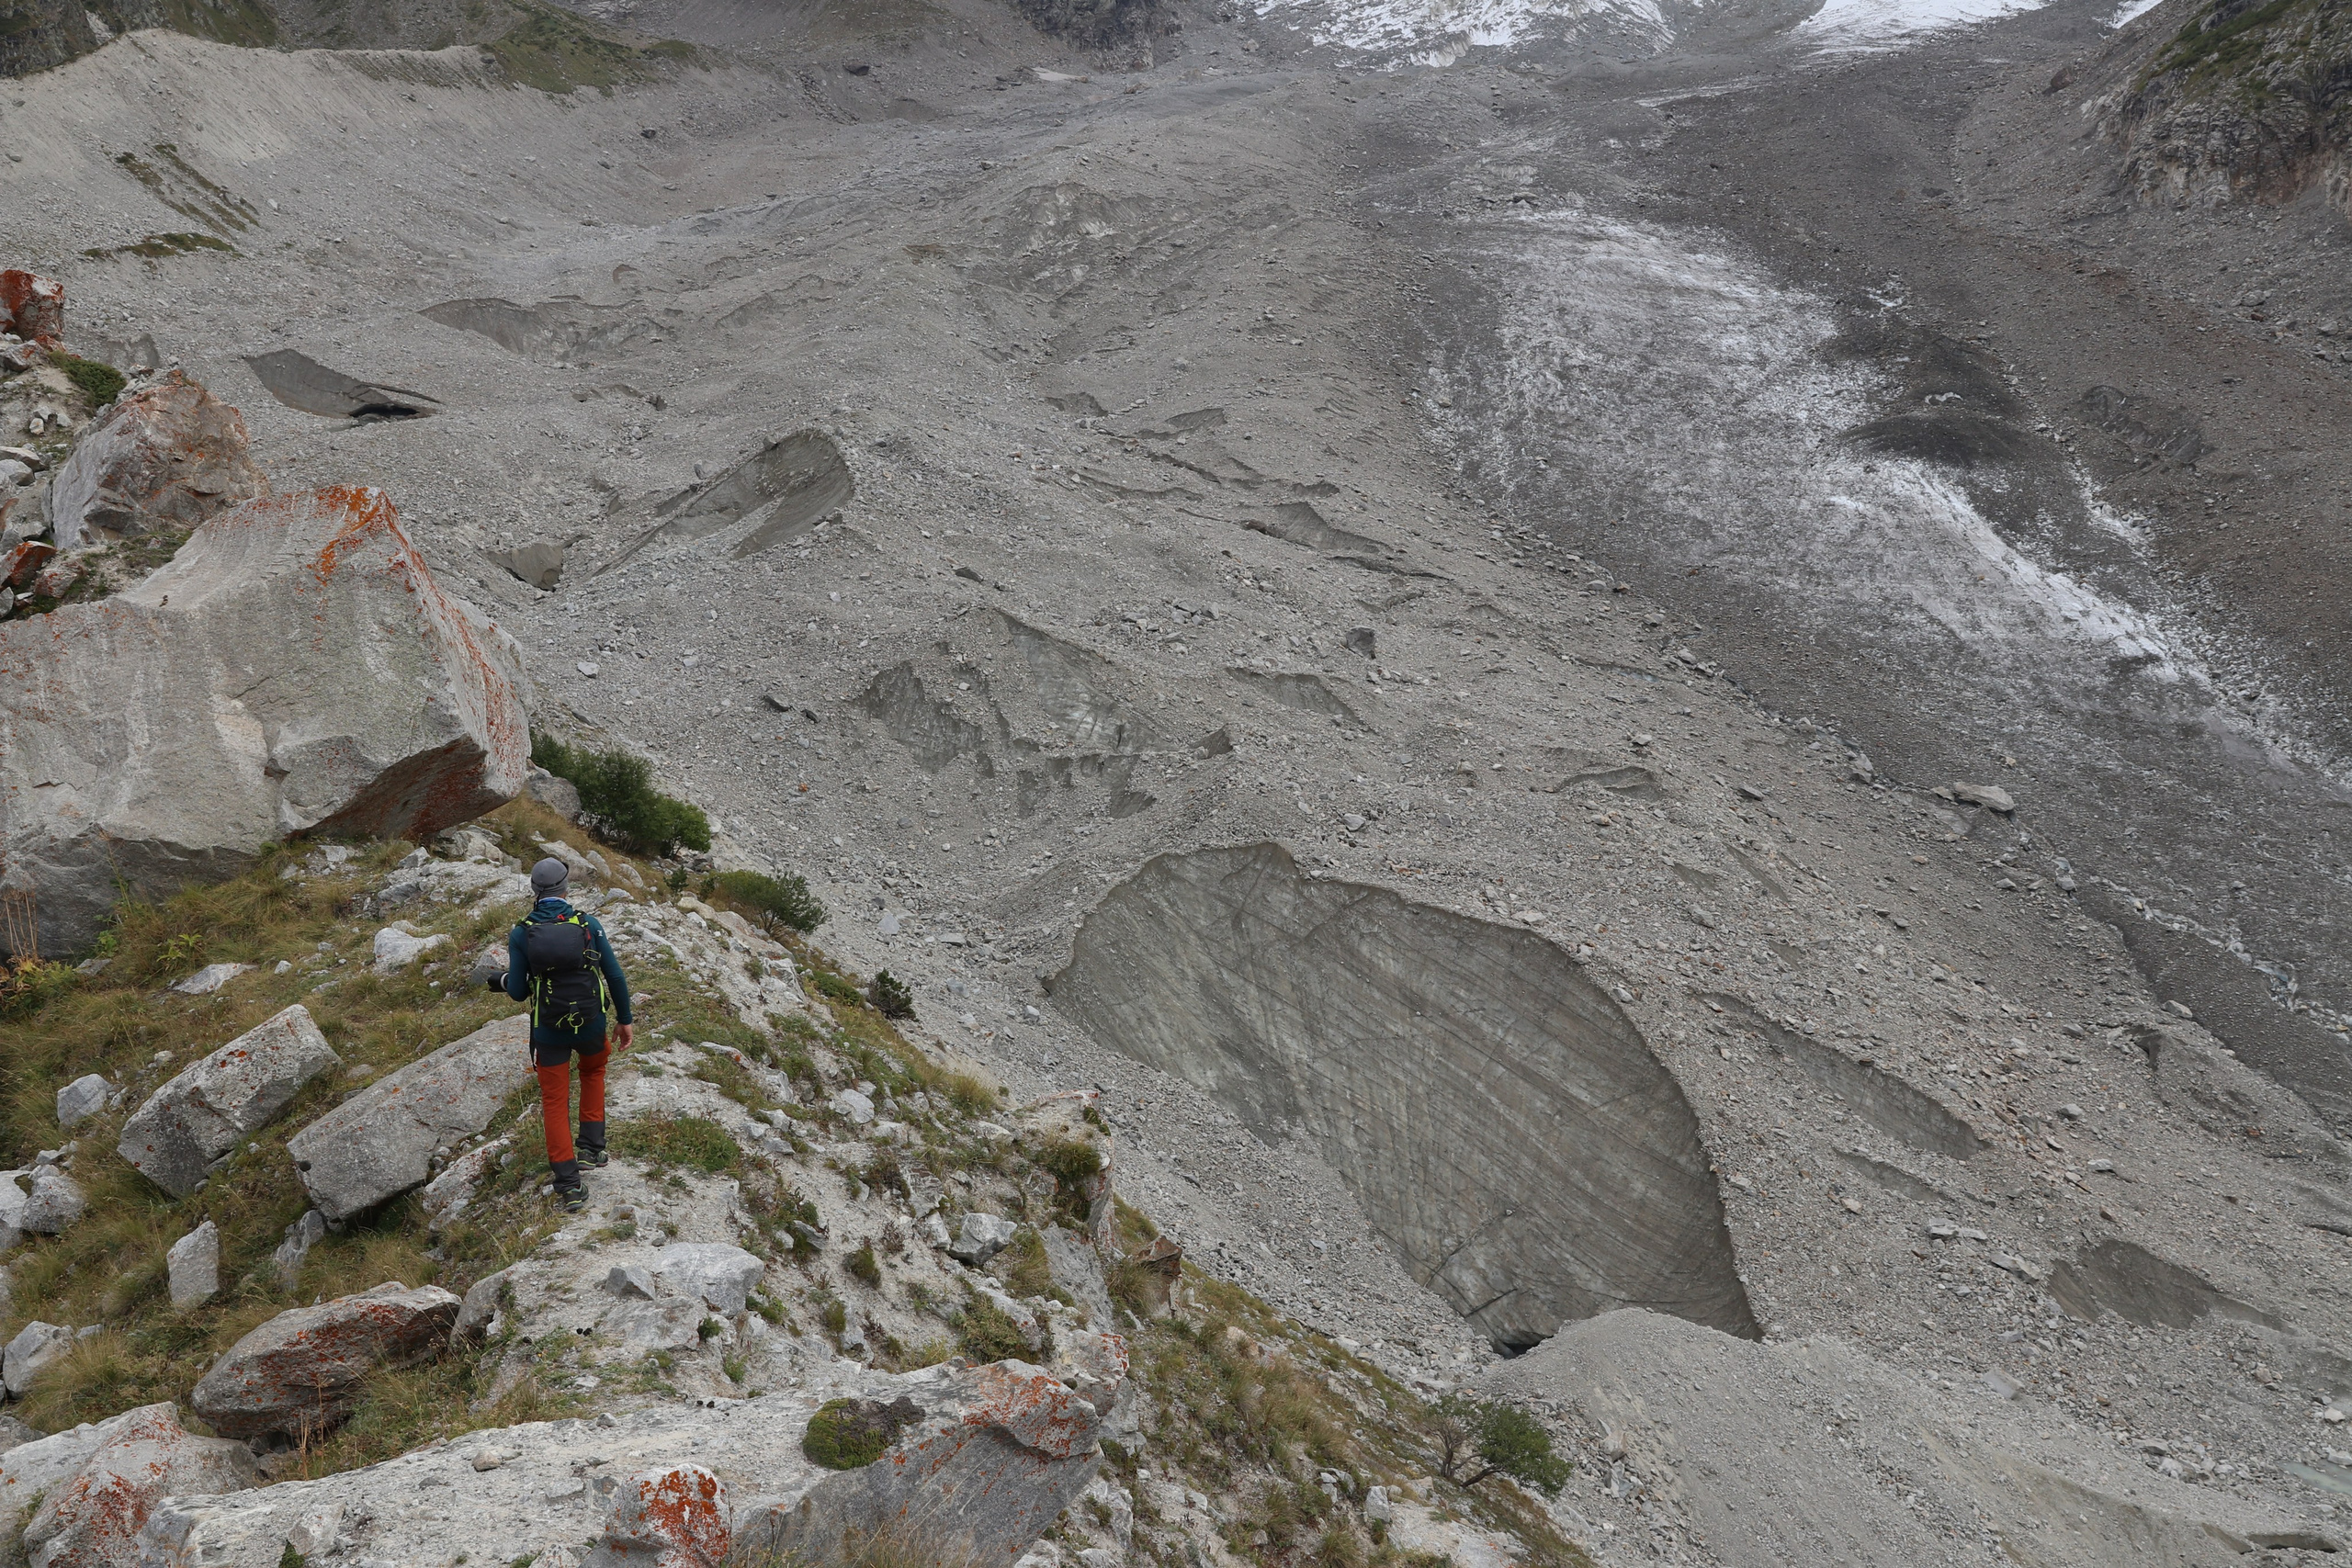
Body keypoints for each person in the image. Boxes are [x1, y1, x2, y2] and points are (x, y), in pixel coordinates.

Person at [492, 857, 633, 1212]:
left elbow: (520, 992)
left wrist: (503, 981)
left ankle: (569, 1186)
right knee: (593, 1072)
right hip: (591, 1023)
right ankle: (592, 1148)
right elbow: (614, 976)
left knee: (554, 1102)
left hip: (549, 1030)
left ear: (534, 889)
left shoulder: (522, 932)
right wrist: (624, 1019)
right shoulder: (588, 924)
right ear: (566, 888)